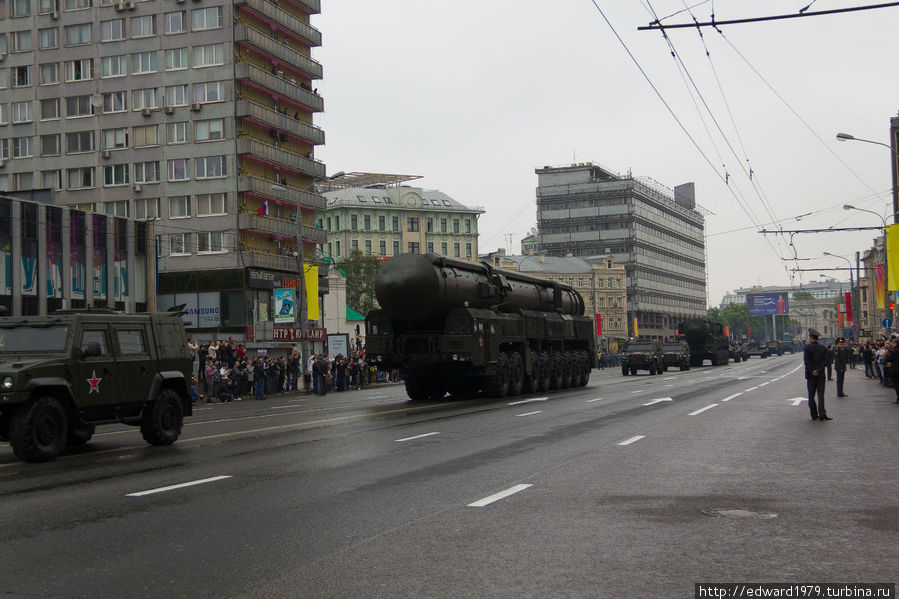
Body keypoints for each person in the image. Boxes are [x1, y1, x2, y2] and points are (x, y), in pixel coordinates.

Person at [804, 328, 831, 421]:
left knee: (811, 396)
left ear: (811, 337)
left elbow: (806, 362)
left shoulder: (807, 348)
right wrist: (818, 370)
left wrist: (812, 371)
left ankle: (814, 414)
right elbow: (826, 362)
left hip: (810, 376)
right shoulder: (823, 348)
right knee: (820, 395)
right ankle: (822, 414)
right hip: (820, 375)